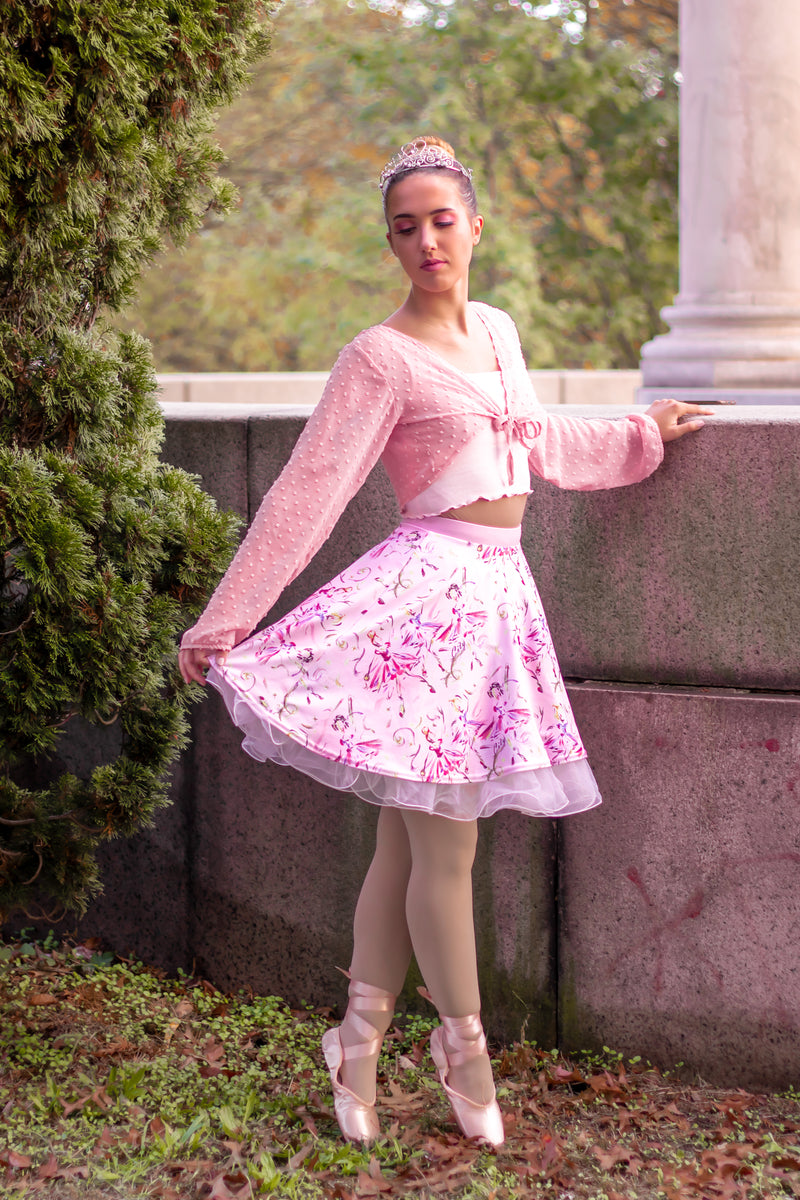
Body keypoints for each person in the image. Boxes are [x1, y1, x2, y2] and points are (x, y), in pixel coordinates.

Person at [179, 136, 708, 1148]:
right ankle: (462, 1048)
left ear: (475, 224)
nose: (425, 239)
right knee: (447, 844)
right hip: (419, 607)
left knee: (405, 841)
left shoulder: (500, 332)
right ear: (391, 242)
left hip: (498, 602)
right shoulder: (377, 357)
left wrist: (643, 433)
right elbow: (305, 492)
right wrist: (226, 617)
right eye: (404, 227)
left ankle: (358, 1042)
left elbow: (540, 447)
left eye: (440, 219)